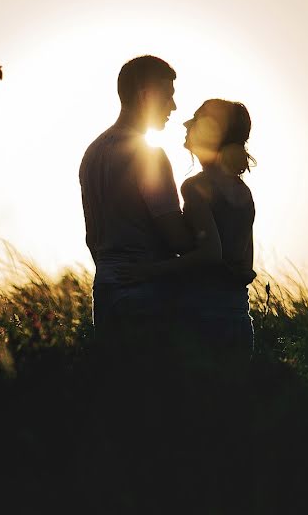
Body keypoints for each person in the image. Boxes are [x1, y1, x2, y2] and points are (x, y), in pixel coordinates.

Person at [120, 99, 257, 360]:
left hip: (203, 318)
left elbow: (211, 254)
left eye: (196, 119)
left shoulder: (196, 187)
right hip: (238, 315)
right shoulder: (244, 192)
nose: (186, 123)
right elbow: (246, 266)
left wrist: (149, 271)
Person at [78, 55, 194, 350]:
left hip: (105, 289)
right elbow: (177, 238)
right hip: (147, 292)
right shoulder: (148, 155)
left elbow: (93, 235)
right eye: (168, 96)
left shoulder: (92, 154)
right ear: (147, 96)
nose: (174, 107)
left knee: (118, 387)